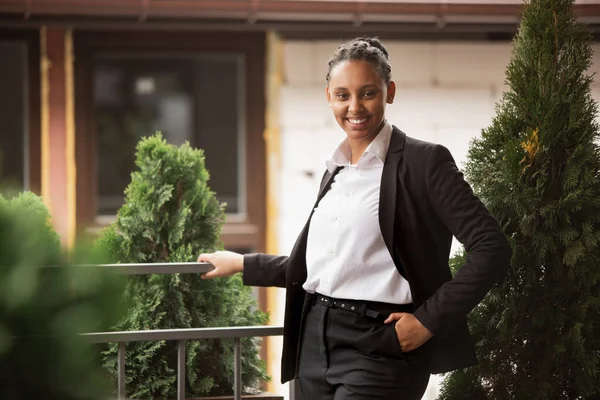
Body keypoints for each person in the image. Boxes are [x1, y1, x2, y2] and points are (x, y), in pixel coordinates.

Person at [198, 36, 512, 400]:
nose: (355, 107)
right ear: (329, 96)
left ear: (389, 91)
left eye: (368, 93)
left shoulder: (425, 163)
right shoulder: (336, 169)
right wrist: (242, 263)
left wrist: (427, 321)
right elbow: (326, 267)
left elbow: (492, 248)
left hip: (380, 345)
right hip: (314, 337)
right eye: (343, 95)